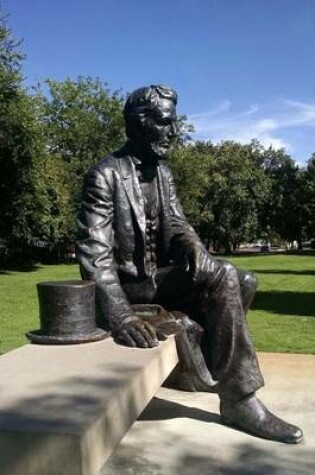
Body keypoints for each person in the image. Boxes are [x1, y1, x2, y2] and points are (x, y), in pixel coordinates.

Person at [76, 85, 302, 444]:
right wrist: (121, 316)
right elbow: (95, 254)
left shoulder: (164, 174)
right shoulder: (104, 175)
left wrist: (195, 246)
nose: (174, 132)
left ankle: (207, 367)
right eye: (166, 123)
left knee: (245, 281)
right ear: (139, 123)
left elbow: (179, 223)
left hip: (159, 279)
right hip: (131, 289)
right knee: (226, 274)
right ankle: (239, 399)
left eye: (174, 123)